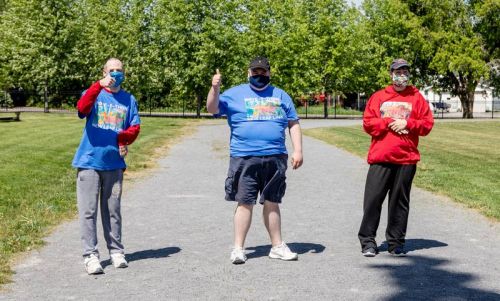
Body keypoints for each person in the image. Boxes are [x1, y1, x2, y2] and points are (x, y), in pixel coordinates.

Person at [206, 56, 303, 264]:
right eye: (255, 71)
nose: (259, 75)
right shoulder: (233, 94)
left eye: (263, 71)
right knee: (245, 202)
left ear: (269, 73)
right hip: (244, 157)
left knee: (272, 202)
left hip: (275, 157)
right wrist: (215, 89)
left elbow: (293, 123)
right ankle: (238, 248)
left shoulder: (281, 95)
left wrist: (298, 150)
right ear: (248, 73)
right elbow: (212, 109)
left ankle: (277, 246)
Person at [358, 58, 434, 257]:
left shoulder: (417, 98)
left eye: (405, 71)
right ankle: (368, 241)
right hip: (381, 158)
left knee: (399, 203)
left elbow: (427, 125)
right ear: (391, 74)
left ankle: (396, 243)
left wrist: (408, 124)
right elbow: (368, 124)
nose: (402, 75)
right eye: (398, 72)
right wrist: (389, 121)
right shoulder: (379, 97)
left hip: (406, 159)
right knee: (373, 200)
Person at [72, 58, 141, 274]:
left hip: (113, 163)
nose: (115, 73)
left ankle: (116, 251)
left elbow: (134, 126)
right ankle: (90, 255)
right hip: (89, 161)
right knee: (88, 210)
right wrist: (97, 85)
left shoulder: (128, 99)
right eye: (111, 70)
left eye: (119, 70)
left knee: (112, 210)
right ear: (104, 72)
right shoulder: (94, 92)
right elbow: (82, 109)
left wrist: (123, 140)